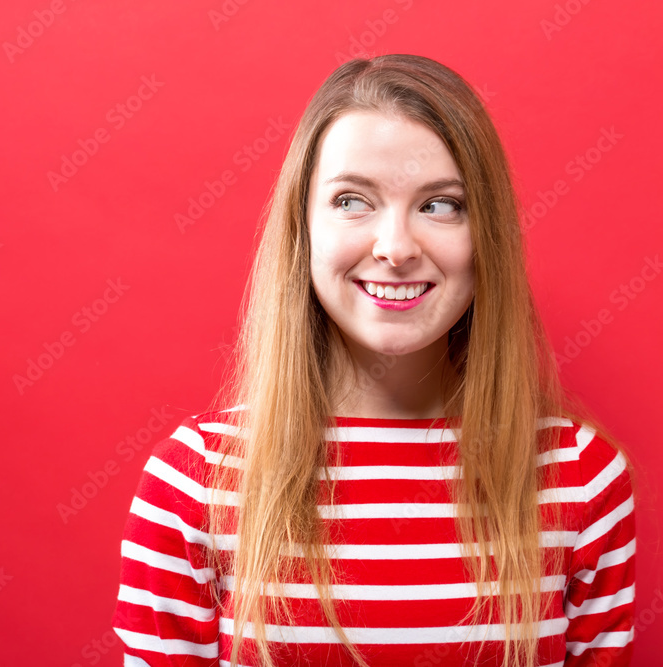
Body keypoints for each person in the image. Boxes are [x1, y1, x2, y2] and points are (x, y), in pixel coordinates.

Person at [111, 54, 636, 667]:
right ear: (302, 229)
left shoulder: (582, 477)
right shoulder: (195, 482)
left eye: (440, 205)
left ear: (486, 235)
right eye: (352, 200)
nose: (395, 249)